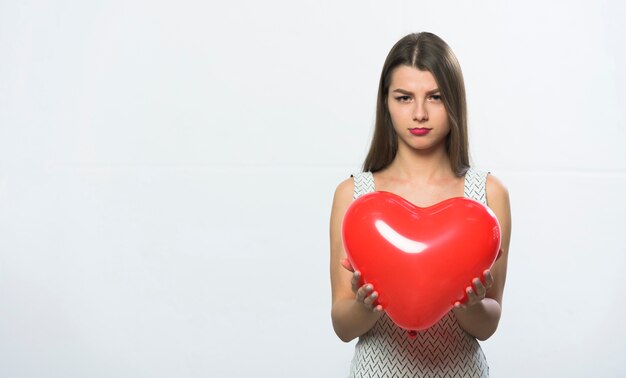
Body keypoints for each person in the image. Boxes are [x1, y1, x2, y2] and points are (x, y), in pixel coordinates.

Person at [329, 32, 512, 377]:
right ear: (386, 102)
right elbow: (342, 324)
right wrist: (366, 305)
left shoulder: (488, 194)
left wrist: (468, 304)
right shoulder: (354, 196)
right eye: (404, 98)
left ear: (454, 102)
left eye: (435, 97)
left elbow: (488, 323)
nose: (419, 113)